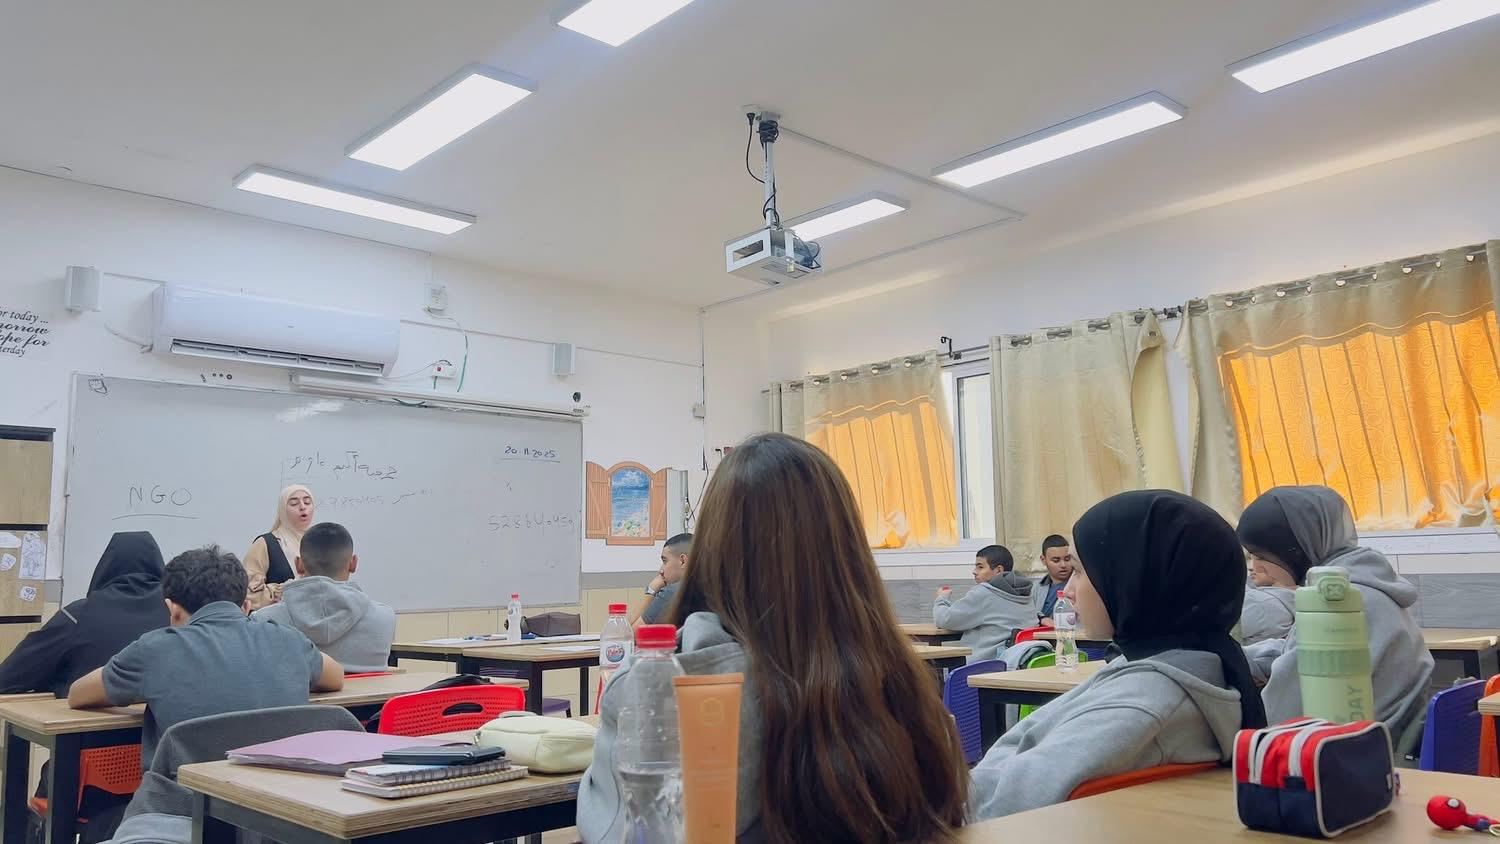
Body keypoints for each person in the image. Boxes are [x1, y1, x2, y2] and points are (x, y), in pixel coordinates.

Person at [578, 434, 967, 842]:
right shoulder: (899, 682)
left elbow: (610, 826)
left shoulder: (661, 686)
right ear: (848, 551)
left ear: (711, 547)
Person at [969, 490, 1268, 819]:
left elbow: (1000, 804)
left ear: (1135, 579)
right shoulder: (1192, 664)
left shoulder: (1144, 703)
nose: (1068, 591)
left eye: (1080, 571)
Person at [67, 545, 343, 767]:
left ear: (172, 609)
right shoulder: (288, 640)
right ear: (246, 606)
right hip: (277, 807)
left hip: (182, 807)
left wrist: (149, 688)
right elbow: (335, 677)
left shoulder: (154, 650)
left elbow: (78, 694)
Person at [1237, 485, 1432, 730]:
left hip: (1359, 744)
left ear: (1294, 551)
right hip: (1388, 734)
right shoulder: (1368, 583)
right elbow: (1298, 651)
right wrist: (1240, 658)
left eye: (1261, 556)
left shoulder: (1337, 601)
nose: (1256, 566)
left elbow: (1284, 712)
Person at [0, 532, 169, 697]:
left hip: (88, 714)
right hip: (162, 715)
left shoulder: (77, 615)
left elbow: (8, 677)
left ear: (106, 566)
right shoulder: (176, 614)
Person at [252, 522, 395, 673]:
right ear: (353, 563)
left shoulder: (264, 621)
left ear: (299, 565)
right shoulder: (385, 618)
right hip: (370, 690)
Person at [933, 544, 1034, 662]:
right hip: (1017, 662)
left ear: (998, 570)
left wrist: (941, 598)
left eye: (980, 567)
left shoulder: (983, 593)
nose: (974, 572)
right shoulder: (1025, 593)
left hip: (983, 666)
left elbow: (944, 619)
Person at [242, 484, 315, 611]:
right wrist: (282, 592)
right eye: (294, 504)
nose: (303, 507)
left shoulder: (320, 542)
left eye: (307, 502)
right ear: (282, 510)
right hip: (277, 620)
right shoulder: (266, 543)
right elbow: (247, 592)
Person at [630, 532, 691, 627]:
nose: (661, 570)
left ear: (682, 561)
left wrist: (651, 590)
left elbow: (630, 632)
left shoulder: (673, 592)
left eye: (665, 561)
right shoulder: (710, 587)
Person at [1240, 556, 1297, 645]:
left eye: (1261, 559)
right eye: (1251, 558)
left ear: (1284, 564)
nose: (1251, 567)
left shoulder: (1260, 602)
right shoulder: (1291, 599)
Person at [1033, 534, 1074, 626]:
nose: (1063, 565)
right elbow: (1027, 613)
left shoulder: (1080, 585)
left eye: (1067, 559)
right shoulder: (1036, 588)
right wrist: (1042, 619)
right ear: (1043, 560)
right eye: (1056, 560)